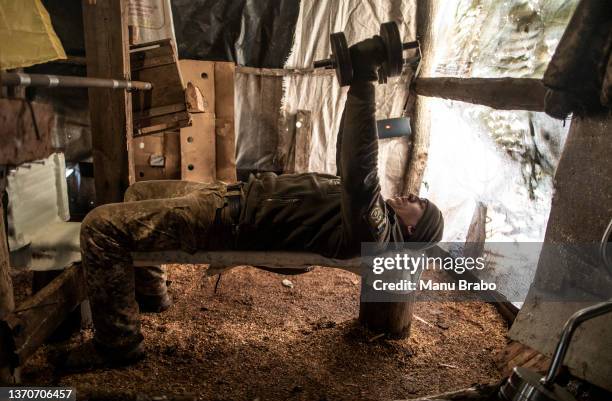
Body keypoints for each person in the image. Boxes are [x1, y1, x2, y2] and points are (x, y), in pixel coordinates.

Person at [62, 36, 444, 369]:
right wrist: (360, 83)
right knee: (138, 194)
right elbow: (350, 149)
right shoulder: (369, 215)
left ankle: (118, 345)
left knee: (101, 227)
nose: (412, 195)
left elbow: (361, 169)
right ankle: (152, 296)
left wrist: (363, 81)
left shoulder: (374, 231)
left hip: (223, 220)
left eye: (419, 204)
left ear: (413, 229)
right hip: (226, 196)